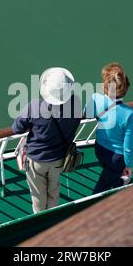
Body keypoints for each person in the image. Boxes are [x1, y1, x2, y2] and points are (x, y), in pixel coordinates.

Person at [12, 67, 81, 213]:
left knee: (38, 195)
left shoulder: (35, 106)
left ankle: (40, 221)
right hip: (58, 159)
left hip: (36, 160)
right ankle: (51, 218)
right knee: (53, 191)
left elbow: (17, 128)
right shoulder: (76, 103)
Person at [84, 62, 133, 194]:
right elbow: (129, 144)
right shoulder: (129, 113)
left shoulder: (96, 99)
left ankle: (116, 179)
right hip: (117, 158)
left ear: (105, 87)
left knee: (108, 171)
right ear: (125, 88)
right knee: (102, 186)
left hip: (100, 149)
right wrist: (129, 165)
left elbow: (87, 113)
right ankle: (118, 183)